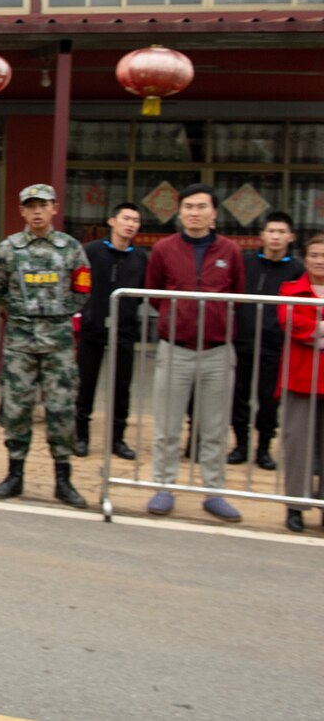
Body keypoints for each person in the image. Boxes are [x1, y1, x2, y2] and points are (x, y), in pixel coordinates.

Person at [143, 183, 245, 522]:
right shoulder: (163, 249)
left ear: (214, 213)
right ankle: (163, 486)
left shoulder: (230, 251)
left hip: (217, 351)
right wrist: (178, 319)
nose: (195, 212)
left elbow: (239, 294)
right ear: (180, 211)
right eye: (188, 206)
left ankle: (214, 492)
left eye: (202, 207)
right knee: (167, 427)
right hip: (176, 349)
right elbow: (156, 294)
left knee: (214, 429)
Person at [0, 184, 90, 508]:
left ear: (54, 208)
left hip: (58, 343)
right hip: (20, 342)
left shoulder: (71, 248)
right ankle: (14, 476)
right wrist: (25, 315)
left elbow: (82, 288)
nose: (36, 211)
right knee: (17, 411)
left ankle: (64, 480)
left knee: (61, 411)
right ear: (21, 211)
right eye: (30, 205)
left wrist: (56, 315)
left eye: (42, 205)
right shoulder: (8, 249)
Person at [74, 202, 146, 460]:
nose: (130, 224)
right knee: (85, 384)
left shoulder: (140, 257)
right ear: (112, 221)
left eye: (135, 221)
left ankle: (118, 439)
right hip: (92, 329)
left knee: (121, 387)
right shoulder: (92, 251)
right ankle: (80, 436)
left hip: (124, 331)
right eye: (126, 218)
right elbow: (78, 283)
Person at [230, 211, 302, 469]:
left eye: (281, 232)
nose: (275, 236)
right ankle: (240, 445)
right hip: (243, 342)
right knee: (239, 396)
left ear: (290, 237)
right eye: (271, 231)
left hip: (276, 347)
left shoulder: (297, 269)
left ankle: (263, 449)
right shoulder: (245, 262)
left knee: (268, 400)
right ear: (261, 236)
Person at [276, 234, 324, 533]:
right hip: (301, 378)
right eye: (315, 254)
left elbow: (308, 328)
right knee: (298, 446)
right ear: (304, 258)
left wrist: (315, 329)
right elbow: (293, 323)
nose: (320, 260)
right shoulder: (291, 289)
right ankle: (295, 506)